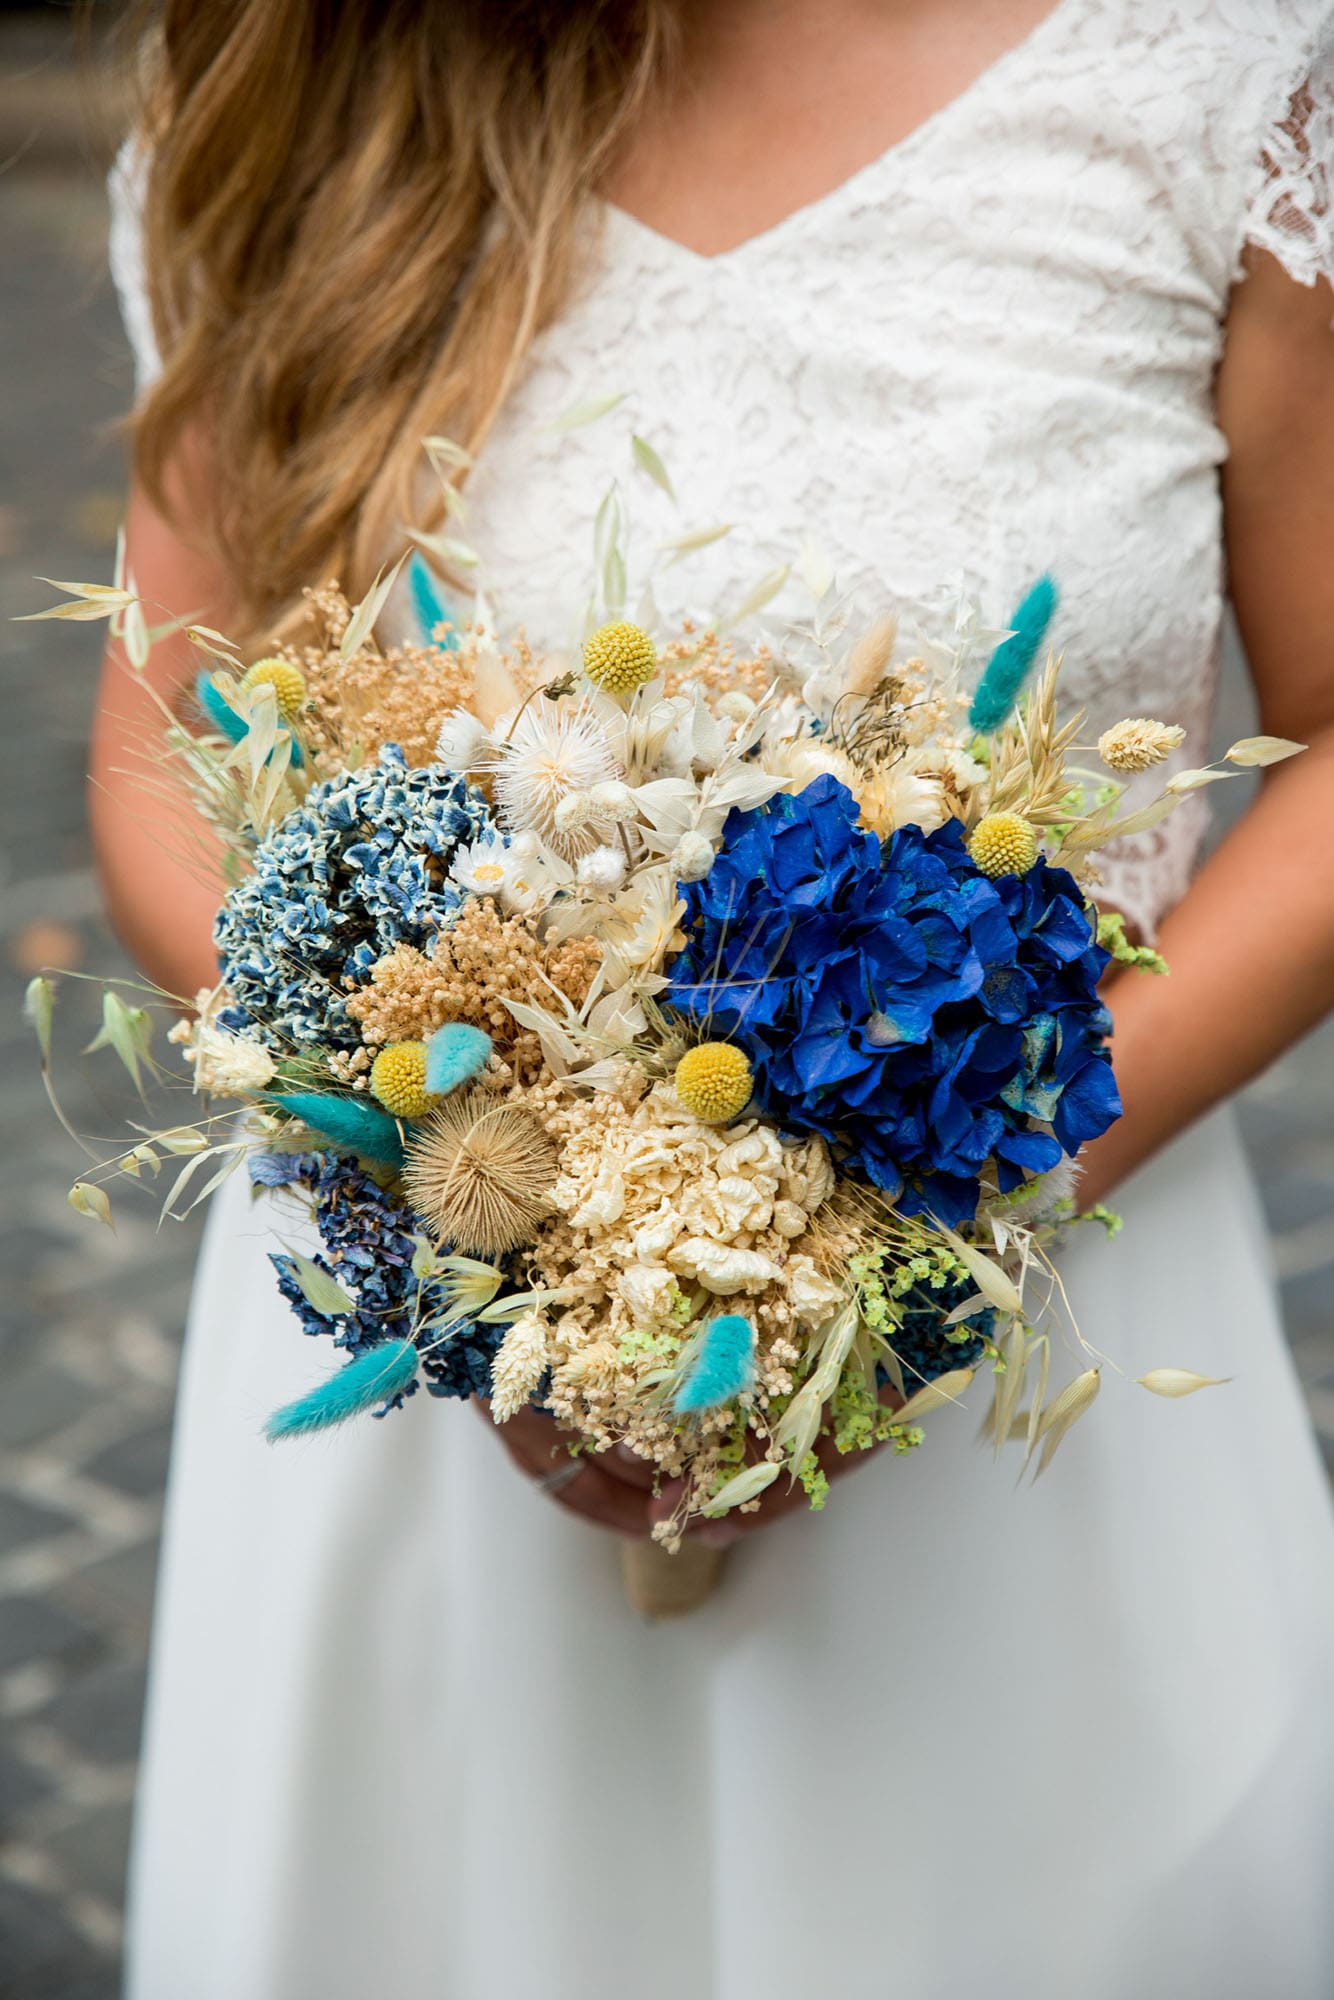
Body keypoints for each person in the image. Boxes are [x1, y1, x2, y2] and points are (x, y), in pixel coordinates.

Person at [95, 2, 1334, 1994]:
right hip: (438, 1413)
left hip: (1020, 1391)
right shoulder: (302, 74)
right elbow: (172, 732)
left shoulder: (1216, 69)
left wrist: (902, 1239)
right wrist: (488, 1226)